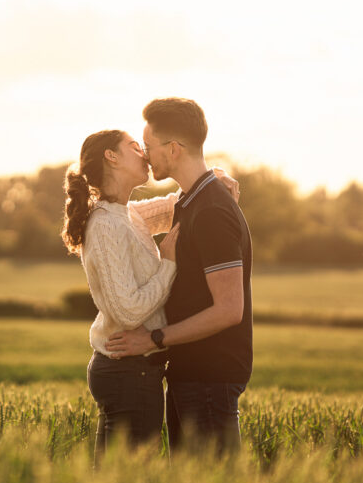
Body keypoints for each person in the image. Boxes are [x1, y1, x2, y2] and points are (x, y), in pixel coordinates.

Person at [61, 129, 239, 463]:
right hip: (128, 369)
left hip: (133, 370)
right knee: (124, 482)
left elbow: (178, 205)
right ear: (111, 157)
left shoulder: (124, 214)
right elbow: (129, 314)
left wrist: (214, 178)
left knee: (119, 479)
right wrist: (168, 264)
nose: (144, 154)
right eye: (134, 147)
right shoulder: (105, 225)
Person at [106, 98, 253, 454]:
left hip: (209, 380)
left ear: (173, 149)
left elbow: (229, 309)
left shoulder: (212, 211)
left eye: (149, 147)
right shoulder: (193, 202)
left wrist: (153, 339)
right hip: (192, 376)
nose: (145, 156)